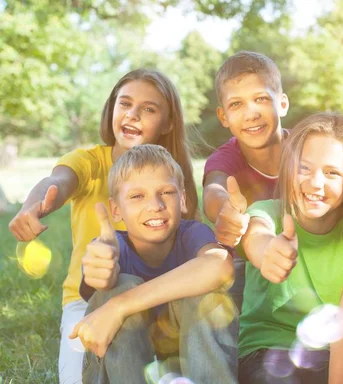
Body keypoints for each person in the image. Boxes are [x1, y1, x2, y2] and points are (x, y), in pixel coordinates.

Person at [7, 68, 199, 384]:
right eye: (124, 104)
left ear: (168, 123)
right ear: (111, 110)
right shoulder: (89, 162)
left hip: (156, 297)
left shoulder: (174, 179)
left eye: (148, 109)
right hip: (86, 301)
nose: (133, 115)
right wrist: (35, 204)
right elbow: (57, 181)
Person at [238, 112, 343, 384]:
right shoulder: (267, 213)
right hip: (267, 353)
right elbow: (255, 236)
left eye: (332, 173)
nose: (315, 183)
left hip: (331, 356)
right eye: (304, 168)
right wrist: (267, 252)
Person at [69, 144, 237, 384]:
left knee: (203, 291)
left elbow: (219, 266)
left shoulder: (193, 235)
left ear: (183, 200)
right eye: (137, 196)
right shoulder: (109, 249)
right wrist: (101, 276)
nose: (155, 205)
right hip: (123, 371)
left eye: (166, 192)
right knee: (119, 284)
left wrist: (121, 306)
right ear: (115, 209)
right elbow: (99, 272)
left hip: (187, 368)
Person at [202, 51, 290, 311]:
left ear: (282, 104)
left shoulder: (305, 150)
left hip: (303, 256)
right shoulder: (225, 159)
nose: (250, 114)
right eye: (236, 104)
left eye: (261, 98)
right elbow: (214, 190)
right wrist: (225, 209)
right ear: (223, 117)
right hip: (249, 266)